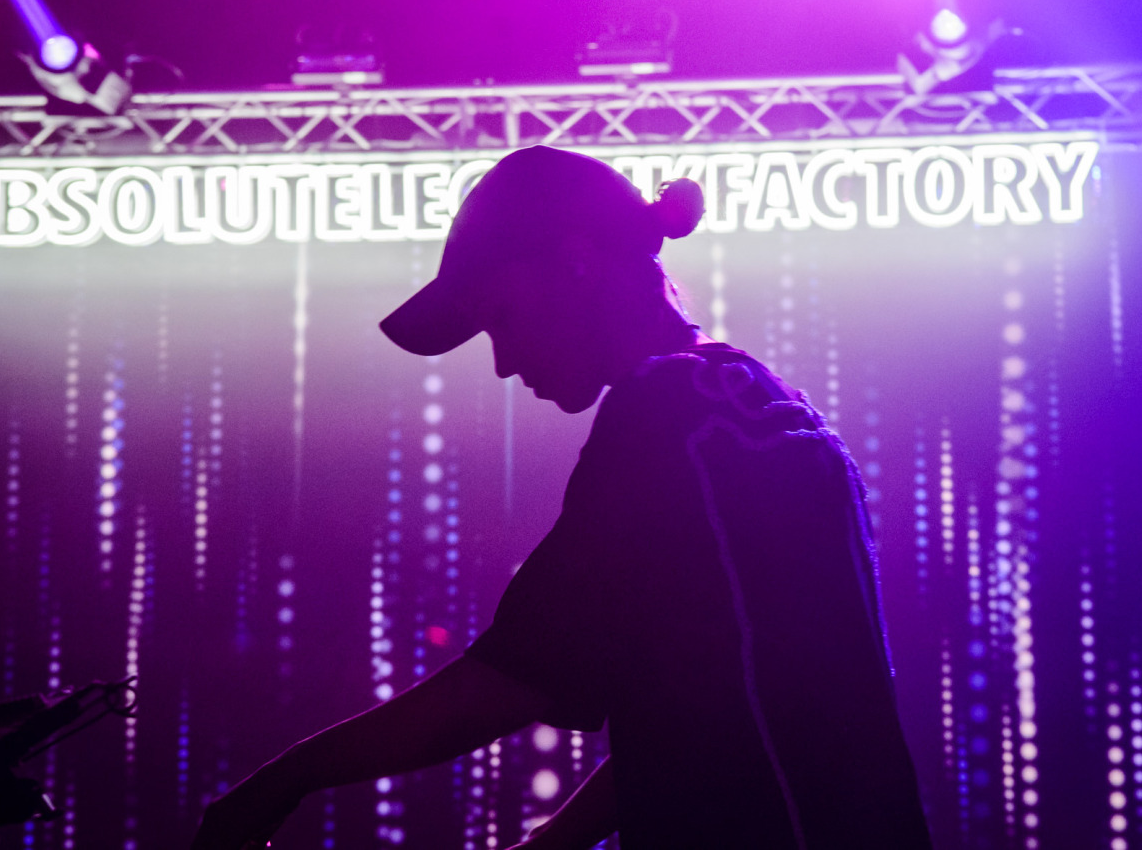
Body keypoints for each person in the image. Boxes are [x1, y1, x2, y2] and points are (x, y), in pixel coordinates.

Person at [190, 146, 932, 849]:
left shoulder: (661, 414)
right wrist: (553, 842)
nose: (503, 361)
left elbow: (513, 677)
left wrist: (284, 781)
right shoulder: (764, 405)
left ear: (577, 263)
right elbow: (718, 700)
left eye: (503, 317)